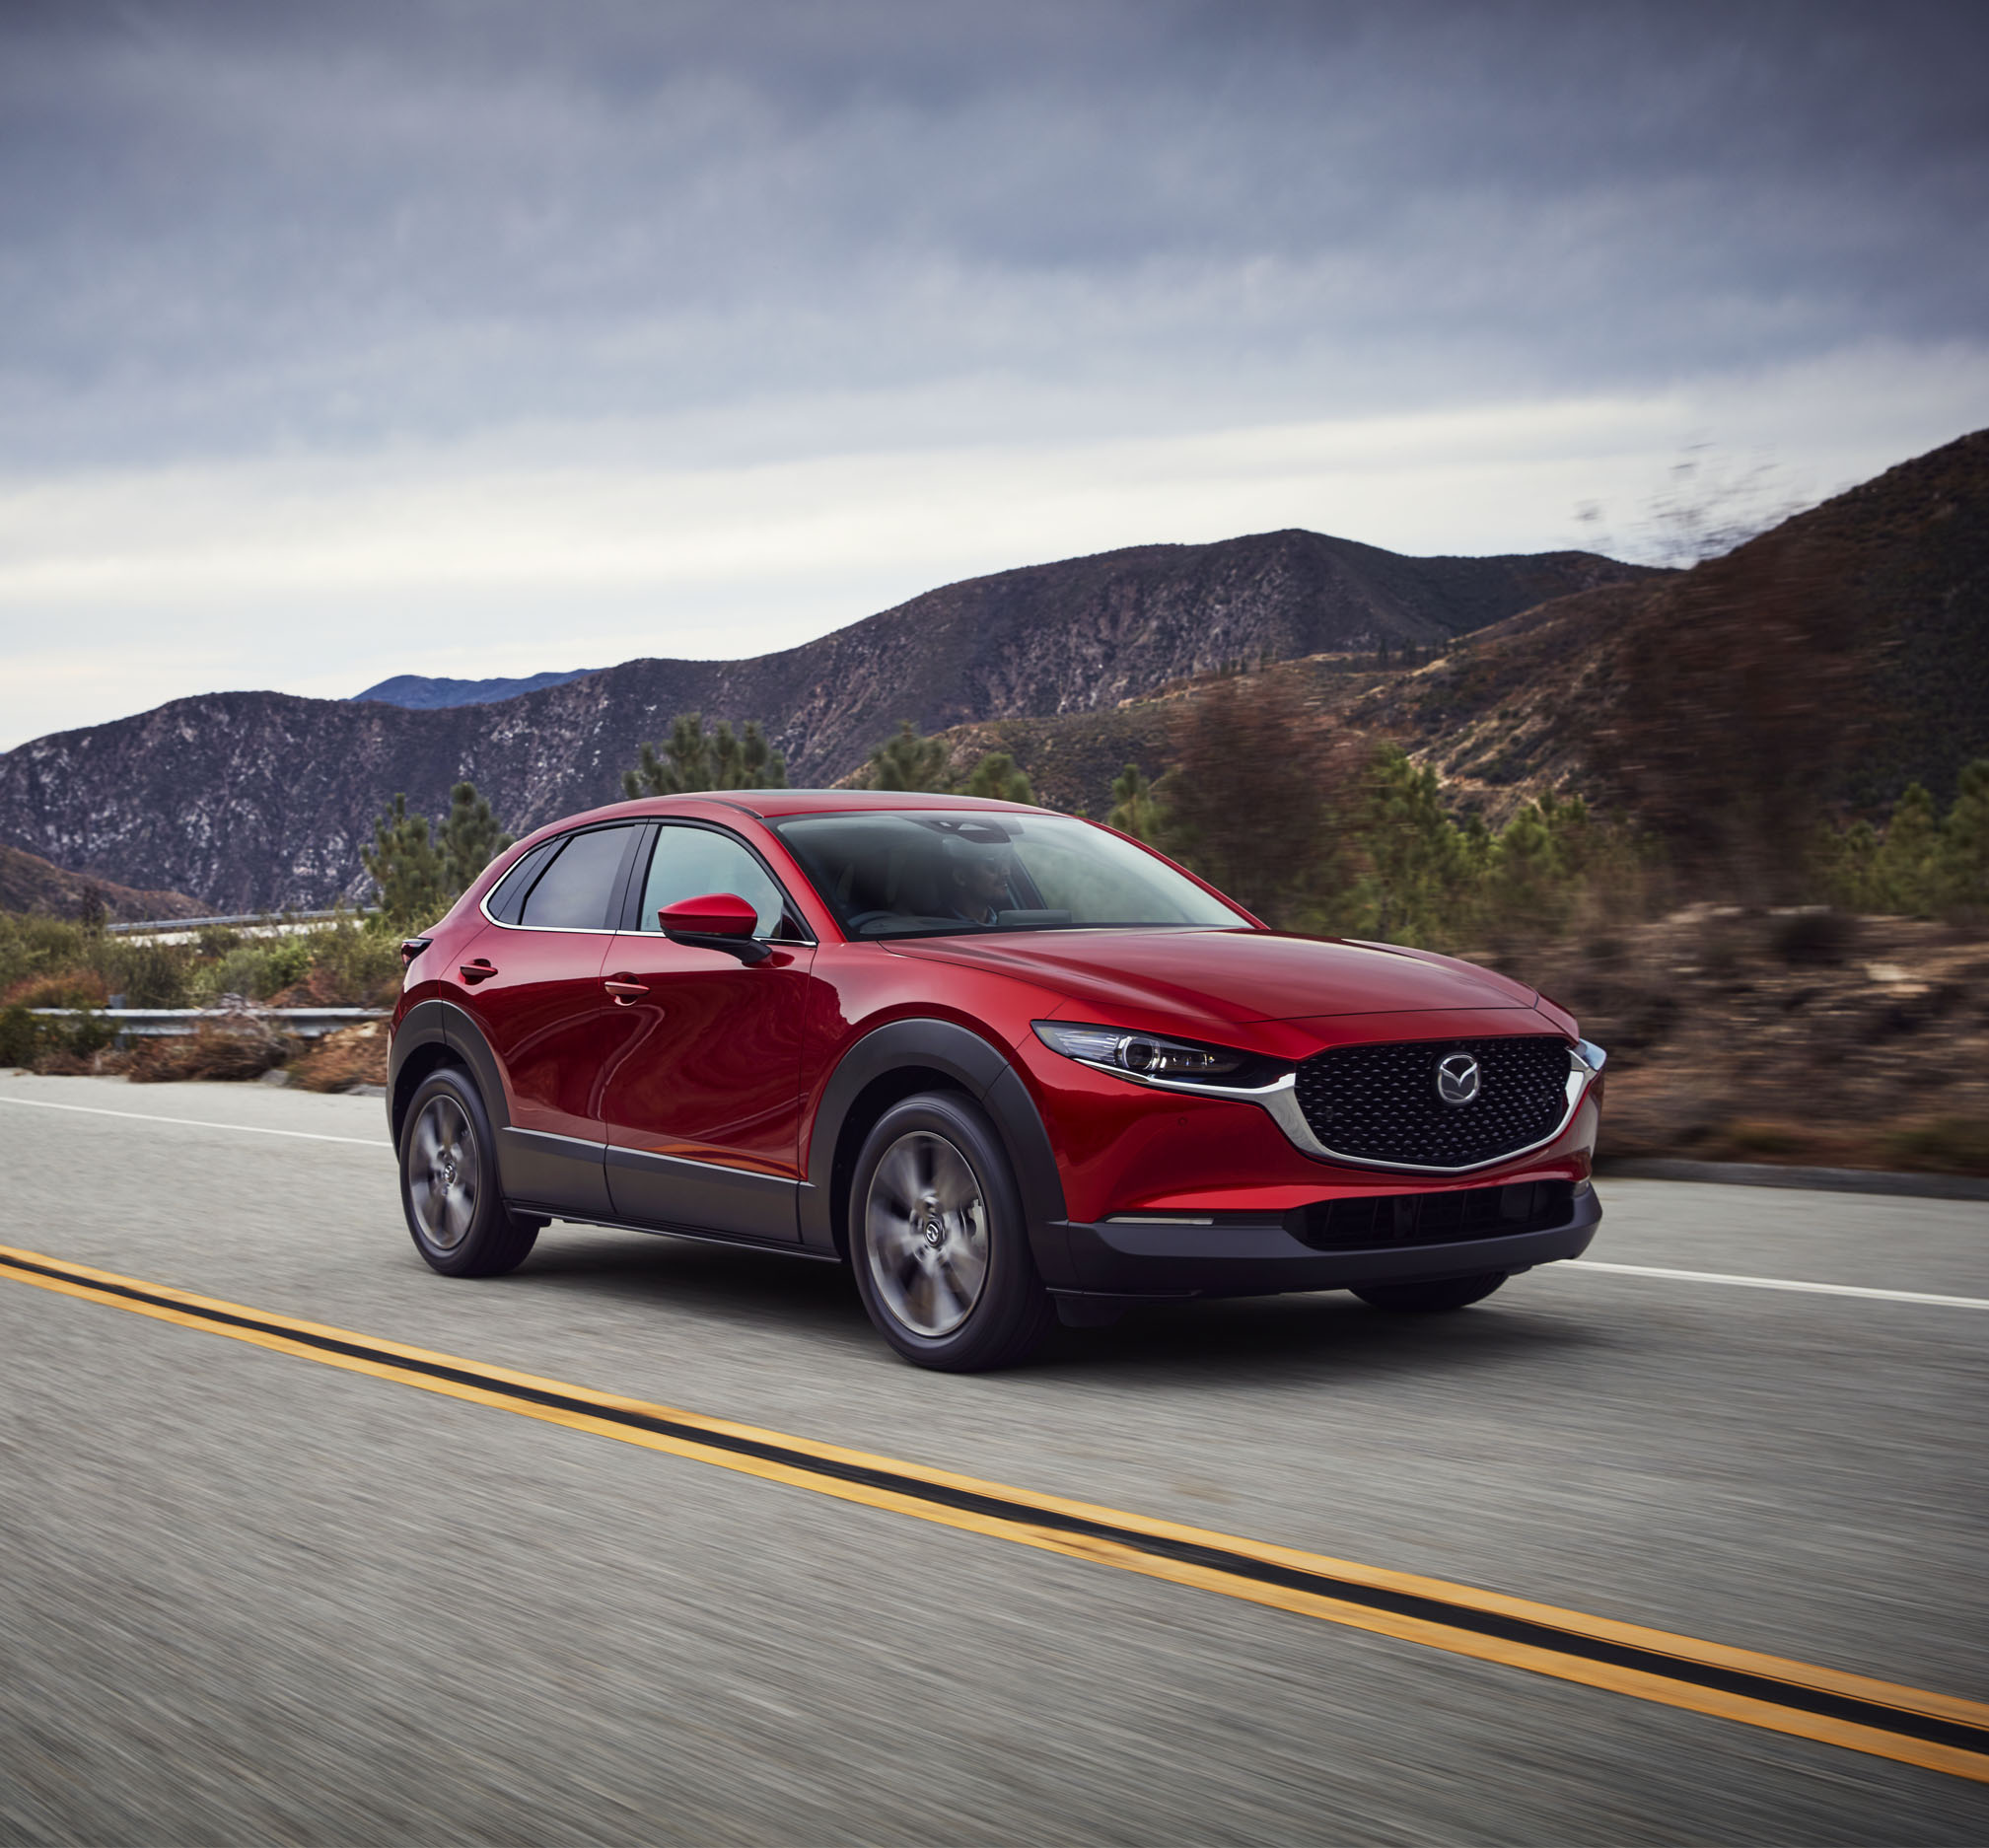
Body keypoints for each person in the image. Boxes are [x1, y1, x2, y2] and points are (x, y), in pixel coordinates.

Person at [937, 833, 1014, 924]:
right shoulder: (933, 927)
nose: (1007, 872)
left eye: (1006, 864)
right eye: (993, 866)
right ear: (960, 877)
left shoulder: (1007, 923)